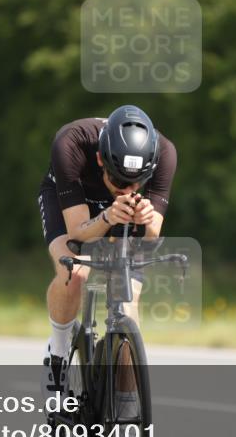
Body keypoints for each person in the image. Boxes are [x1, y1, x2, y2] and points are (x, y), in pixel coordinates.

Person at [37, 104, 177, 388]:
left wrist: (146, 220)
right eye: (117, 180)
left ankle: (124, 408)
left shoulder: (165, 154)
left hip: (114, 214)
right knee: (74, 273)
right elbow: (78, 233)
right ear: (100, 159)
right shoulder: (71, 142)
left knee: (127, 301)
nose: (125, 191)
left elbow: (151, 236)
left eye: (135, 184)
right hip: (76, 202)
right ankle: (59, 354)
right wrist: (108, 215)